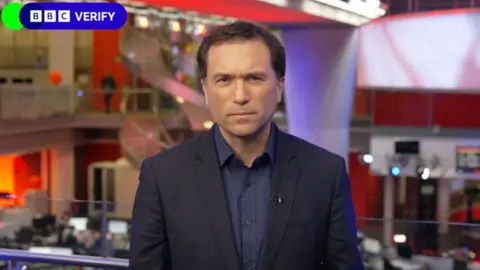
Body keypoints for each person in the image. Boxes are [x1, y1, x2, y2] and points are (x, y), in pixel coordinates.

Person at [129, 21, 363, 270]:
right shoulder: (163, 176)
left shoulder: (325, 173)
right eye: (224, 80)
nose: (240, 96)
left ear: (279, 86)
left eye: (254, 78)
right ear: (206, 90)